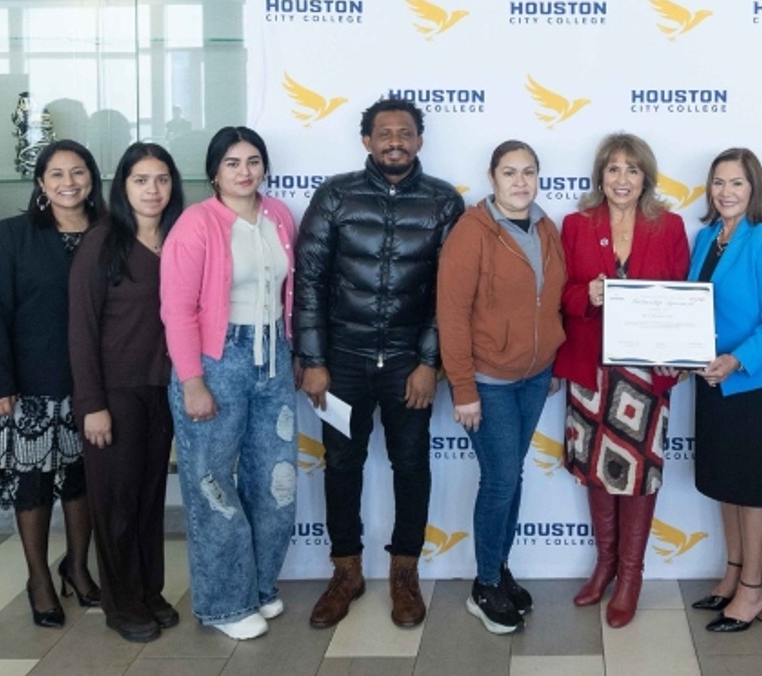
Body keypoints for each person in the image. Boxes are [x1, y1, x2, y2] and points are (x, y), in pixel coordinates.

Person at [294, 98, 464, 629]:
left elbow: (450, 291)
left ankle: (404, 573)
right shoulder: (336, 196)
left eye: (406, 132)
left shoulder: (442, 202)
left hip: (408, 366)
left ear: (419, 140)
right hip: (341, 363)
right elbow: (309, 283)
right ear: (366, 140)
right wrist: (314, 360)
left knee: (411, 467)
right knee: (341, 467)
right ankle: (346, 571)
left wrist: (428, 362)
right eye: (384, 133)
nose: (395, 140)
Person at [164, 126, 300, 641]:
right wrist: (193, 381)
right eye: (232, 163)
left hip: (273, 355)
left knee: (276, 481)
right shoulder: (196, 225)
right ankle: (224, 604)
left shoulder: (279, 216)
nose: (245, 172)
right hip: (216, 359)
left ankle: (259, 588)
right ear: (214, 173)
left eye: (253, 161)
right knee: (213, 486)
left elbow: (290, 290)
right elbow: (176, 310)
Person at [557, 133, 690, 628]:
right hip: (591, 369)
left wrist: (678, 355)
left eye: (632, 170)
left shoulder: (670, 226)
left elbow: (681, 297)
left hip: (646, 373)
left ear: (646, 178)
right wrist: (585, 295)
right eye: (613, 169)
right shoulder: (574, 225)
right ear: (600, 175)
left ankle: (630, 575)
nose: (622, 179)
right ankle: (604, 566)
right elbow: (559, 295)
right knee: (596, 468)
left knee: (639, 474)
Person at [436, 140, 566, 635]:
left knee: (512, 478)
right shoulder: (472, 233)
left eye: (528, 172)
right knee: (500, 480)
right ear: (492, 178)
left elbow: (549, 303)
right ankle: (484, 584)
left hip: (534, 378)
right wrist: (463, 388)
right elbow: (451, 315)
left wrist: (550, 359)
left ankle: (500, 567)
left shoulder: (545, 227)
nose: (520, 182)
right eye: (509, 173)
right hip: (488, 381)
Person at [0, 140, 103, 629]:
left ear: (92, 179)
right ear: (41, 183)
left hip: (94, 382)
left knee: (83, 480)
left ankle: (76, 565)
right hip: (30, 384)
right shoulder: (15, 234)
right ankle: (38, 578)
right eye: (56, 174)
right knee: (33, 486)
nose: (68, 182)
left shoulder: (109, 232)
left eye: (78, 172)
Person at [70, 142, 185, 642]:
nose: (153, 190)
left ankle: (148, 591)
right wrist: (92, 406)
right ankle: (121, 603)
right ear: (122, 187)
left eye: (162, 179)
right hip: (114, 393)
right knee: (116, 502)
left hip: (163, 389)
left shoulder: (180, 240)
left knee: (149, 498)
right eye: (141, 180)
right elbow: (81, 329)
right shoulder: (102, 243)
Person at [687, 148, 762, 634]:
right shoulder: (706, 237)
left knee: (753, 488)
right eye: (718, 182)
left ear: (754, 188)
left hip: (759, 385)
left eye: (736, 183)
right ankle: (734, 572)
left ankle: (755, 589)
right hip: (714, 380)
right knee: (725, 481)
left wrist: (737, 361)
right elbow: (692, 306)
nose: (725, 192)